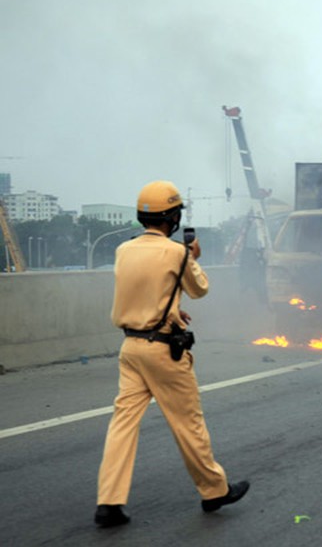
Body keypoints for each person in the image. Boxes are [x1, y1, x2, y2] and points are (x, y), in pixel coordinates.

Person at [95, 181, 249, 528]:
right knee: (188, 422)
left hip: (130, 347)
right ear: (173, 217)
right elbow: (200, 289)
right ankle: (214, 490)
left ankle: (109, 502)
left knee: (122, 425)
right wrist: (191, 258)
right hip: (163, 351)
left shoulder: (123, 250)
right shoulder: (176, 253)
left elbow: (146, 291)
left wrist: (172, 310)